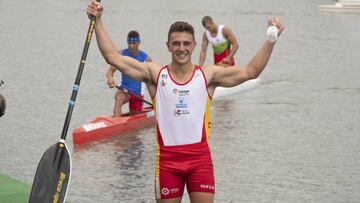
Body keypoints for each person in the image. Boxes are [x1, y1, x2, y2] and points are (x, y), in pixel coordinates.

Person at [87, 1, 284, 202]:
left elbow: (251, 71)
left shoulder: (208, 76)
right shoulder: (155, 74)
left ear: (194, 46)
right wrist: (99, 20)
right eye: (176, 43)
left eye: (186, 43)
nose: (181, 48)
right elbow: (112, 56)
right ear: (168, 46)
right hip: (167, 162)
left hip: (200, 160)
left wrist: (271, 39)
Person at [106, 30, 152, 117]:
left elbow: (154, 78)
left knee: (135, 116)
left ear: (139, 42)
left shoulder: (146, 58)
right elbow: (110, 72)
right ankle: (116, 123)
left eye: (134, 43)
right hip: (124, 90)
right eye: (129, 43)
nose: (131, 45)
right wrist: (110, 78)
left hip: (138, 93)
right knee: (118, 98)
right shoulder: (121, 55)